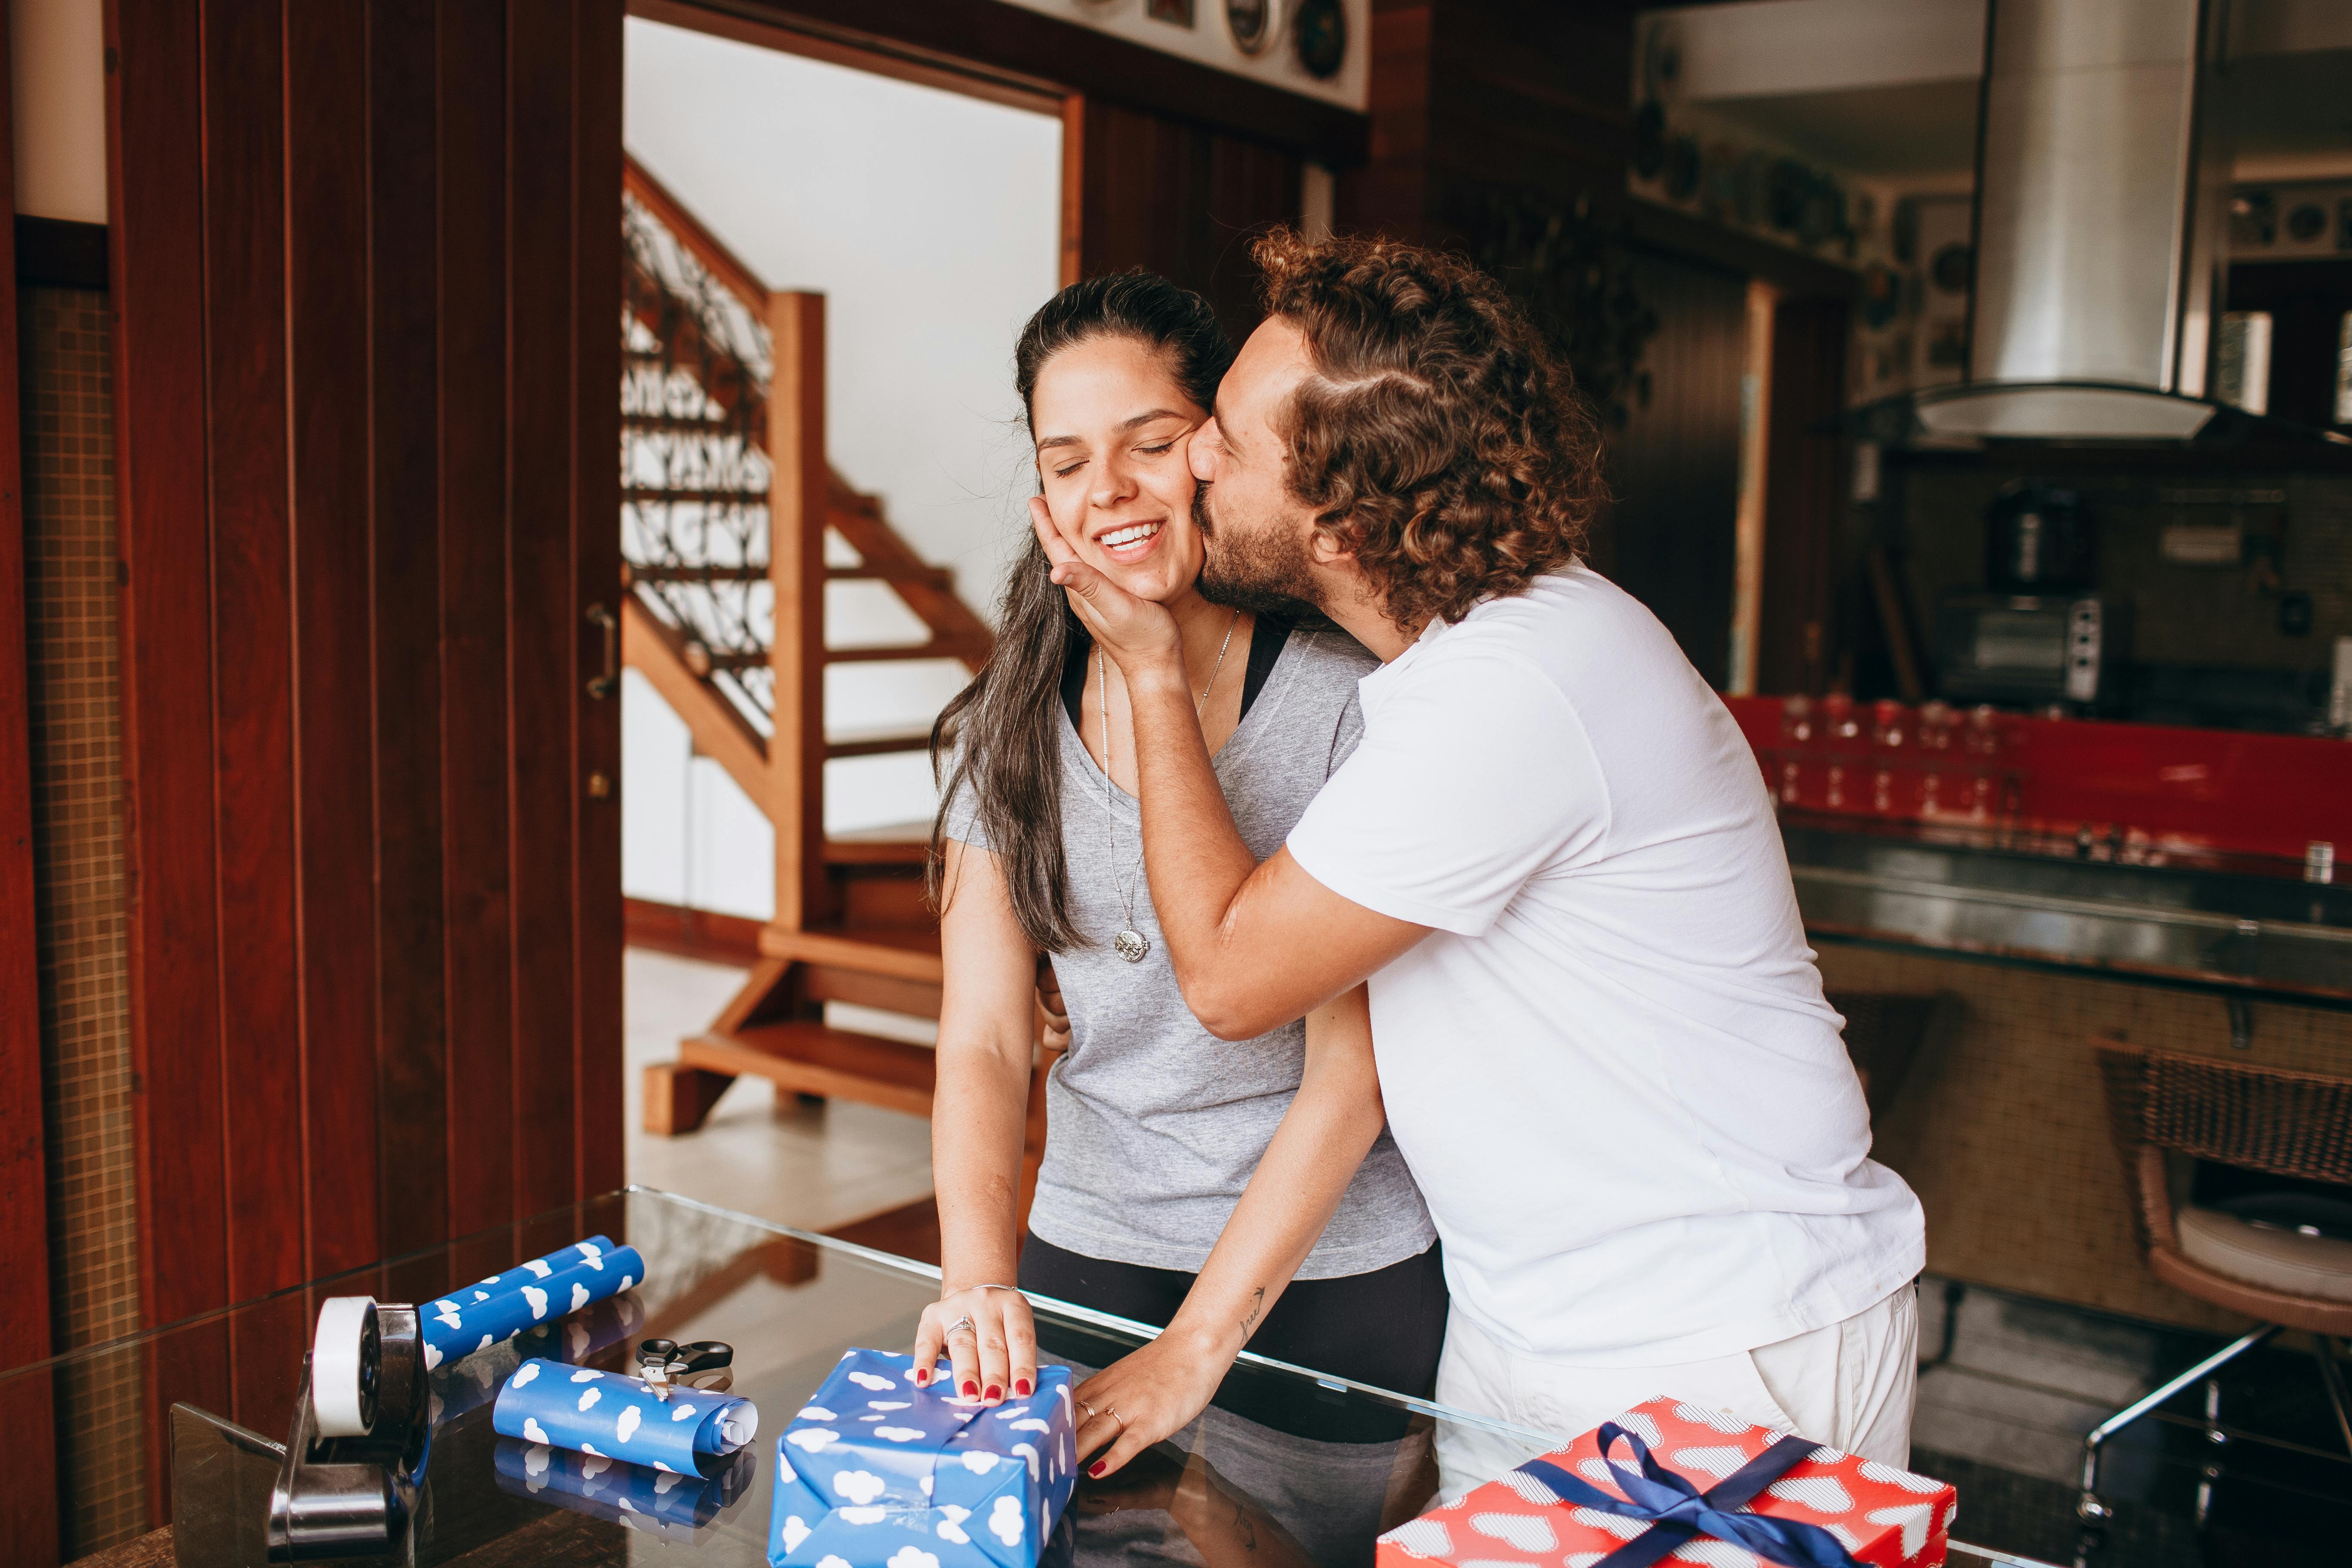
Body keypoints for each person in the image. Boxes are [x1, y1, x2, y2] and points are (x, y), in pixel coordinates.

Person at [1034, 232, 1928, 1496]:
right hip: (1536, 1323)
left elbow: (1233, 983)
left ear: (1336, 523)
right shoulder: (1458, 671)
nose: (1189, 463)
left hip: (1719, 1334)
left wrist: (1152, 671)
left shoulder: (1517, 688)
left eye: (1224, 441)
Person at [913, 272, 1444, 1481]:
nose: (1108, 491)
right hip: (1089, 1246)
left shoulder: (1350, 701)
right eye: (1066, 462)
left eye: (1150, 444)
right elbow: (986, 1038)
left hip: (1332, 1272)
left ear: (1214, 450)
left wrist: (1203, 1340)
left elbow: (1351, 1079)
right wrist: (977, 1277)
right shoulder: (1004, 723)